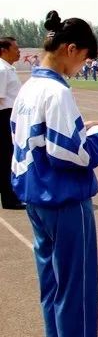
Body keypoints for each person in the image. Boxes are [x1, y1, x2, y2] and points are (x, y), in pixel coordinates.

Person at [11, 11, 98, 337]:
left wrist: (83, 129)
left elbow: (38, 140)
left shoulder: (28, 88)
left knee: (52, 283)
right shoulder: (56, 91)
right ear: (71, 49)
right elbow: (73, 153)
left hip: (37, 196)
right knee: (77, 285)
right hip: (63, 199)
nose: (83, 66)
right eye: (84, 58)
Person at [0, 36, 25, 209]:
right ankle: (9, 199)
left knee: (8, 157)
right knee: (5, 158)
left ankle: (11, 196)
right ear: (4, 50)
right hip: (3, 116)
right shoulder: (1, 70)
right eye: (15, 48)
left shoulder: (8, 69)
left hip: (9, 115)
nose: (19, 51)